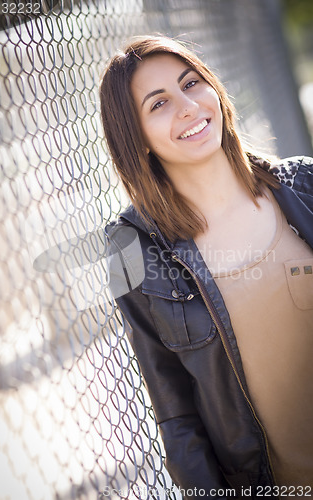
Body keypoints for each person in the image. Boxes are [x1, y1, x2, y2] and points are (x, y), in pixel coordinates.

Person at [99, 35, 313, 499]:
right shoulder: (129, 250)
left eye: (192, 83)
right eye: (158, 104)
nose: (189, 106)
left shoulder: (306, 184)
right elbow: (175, 416)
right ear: (135, 138)